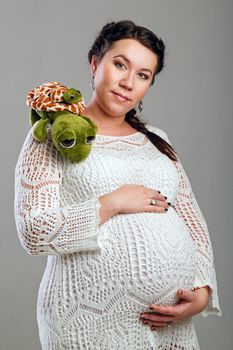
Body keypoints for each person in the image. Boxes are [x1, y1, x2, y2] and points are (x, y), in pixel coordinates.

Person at [14, 20, 222, 350]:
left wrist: (203, 291)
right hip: (85, 319)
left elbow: (193, 222)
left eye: (143, 75)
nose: (128, 82)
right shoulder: (59, 135)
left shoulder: (158, 142)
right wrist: (111, 203)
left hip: (168, 325)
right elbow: (33, 232)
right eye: (120, 64)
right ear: (95, 63)